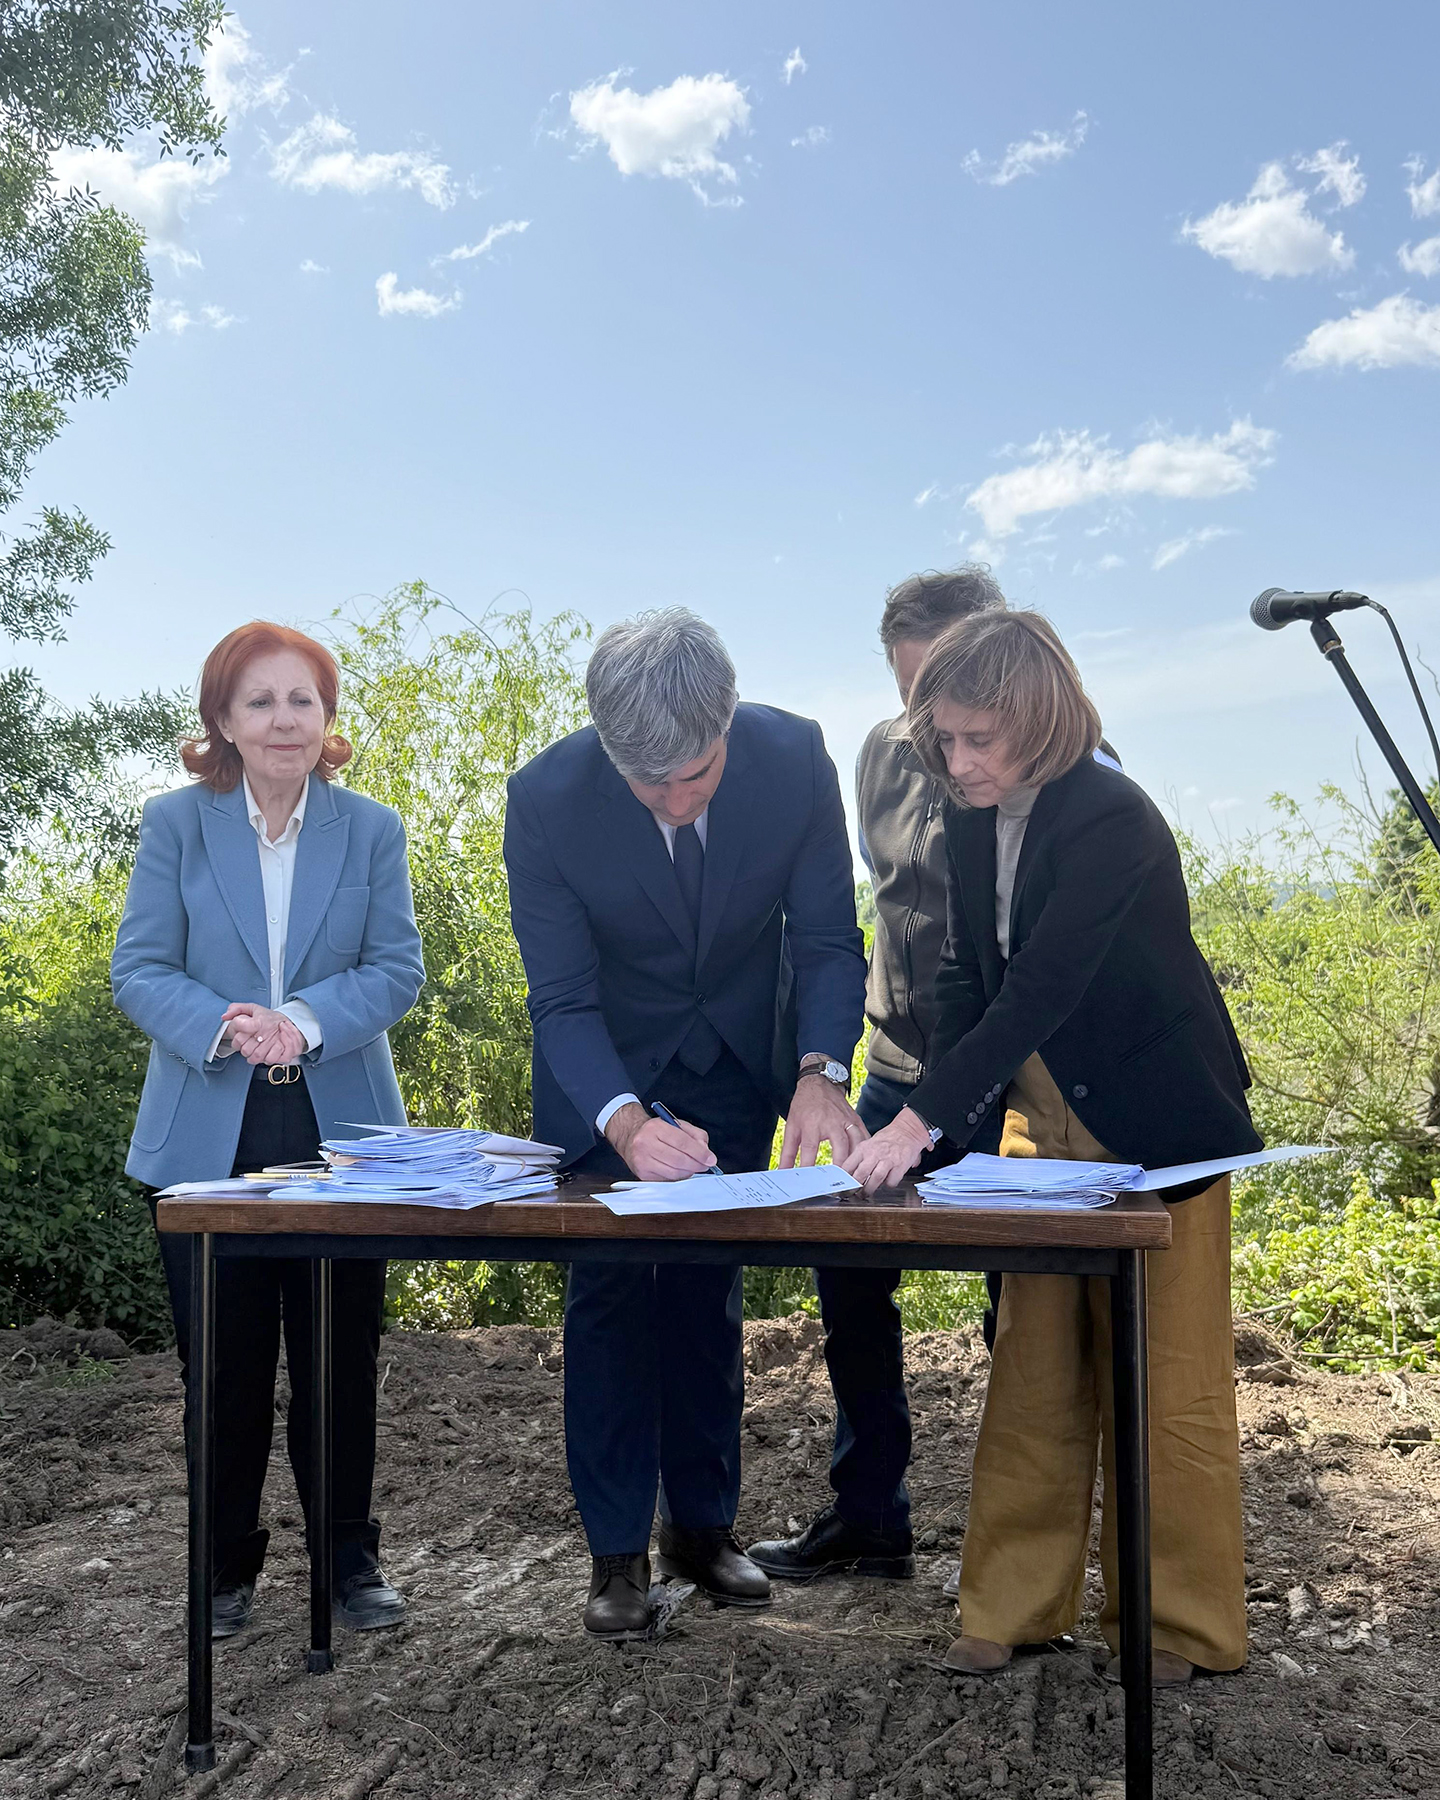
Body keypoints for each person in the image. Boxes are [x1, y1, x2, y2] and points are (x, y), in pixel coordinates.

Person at [843, 609, 1259, 1685]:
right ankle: (1012, 1610)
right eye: (944, 738)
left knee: (1168, 1386)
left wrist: (917, 1121)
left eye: (978, 739)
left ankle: (1174, 1627)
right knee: (1031, 1369)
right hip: (1037, 1123)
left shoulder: (1114, 815)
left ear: (1040, 718)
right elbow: (963, 978)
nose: (957, 762)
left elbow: (1043, 986)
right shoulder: (967, 809)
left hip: (1160, 1124)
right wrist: (939, 1127)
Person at [504, 607, 868, 1640]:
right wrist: (622, 1123)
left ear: (729, 718)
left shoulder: (795, 758)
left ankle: (702, 1531)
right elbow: (561, 1000)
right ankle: (616, 1556)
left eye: (696, 774)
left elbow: (829, 938)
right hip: (603, 1078)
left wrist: (820, 1072)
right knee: (610, 1299)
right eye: (647, 783)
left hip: (739, 1065)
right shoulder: (545, 799)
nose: (674, 800)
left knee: (710, 1291)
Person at [112, 622, 425, 1639]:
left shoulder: (371, 829)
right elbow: (140, 969)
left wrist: (303, 1021)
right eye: (261, 700)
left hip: (342, 1131)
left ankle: (348, 1561)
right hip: (209, 1127)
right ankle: (222, 1570)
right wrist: (229, 1025)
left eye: (304, 699)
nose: (285, 719)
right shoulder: (175, 824)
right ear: (223, 719)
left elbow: (396, 968)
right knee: (225, 1367)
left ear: (327, 718)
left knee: (339, 1360)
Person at [748, 566, 1005, 1587]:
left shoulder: (1051, 762)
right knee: (846, 1270)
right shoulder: (876, 757)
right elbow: (881, 914)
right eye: (911, 695)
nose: (932, 723)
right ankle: (868, 1518)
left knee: (1025, 1308)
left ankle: (1016, 1547)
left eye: (947, 691)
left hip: (1011, 1079)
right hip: (896, 1068)